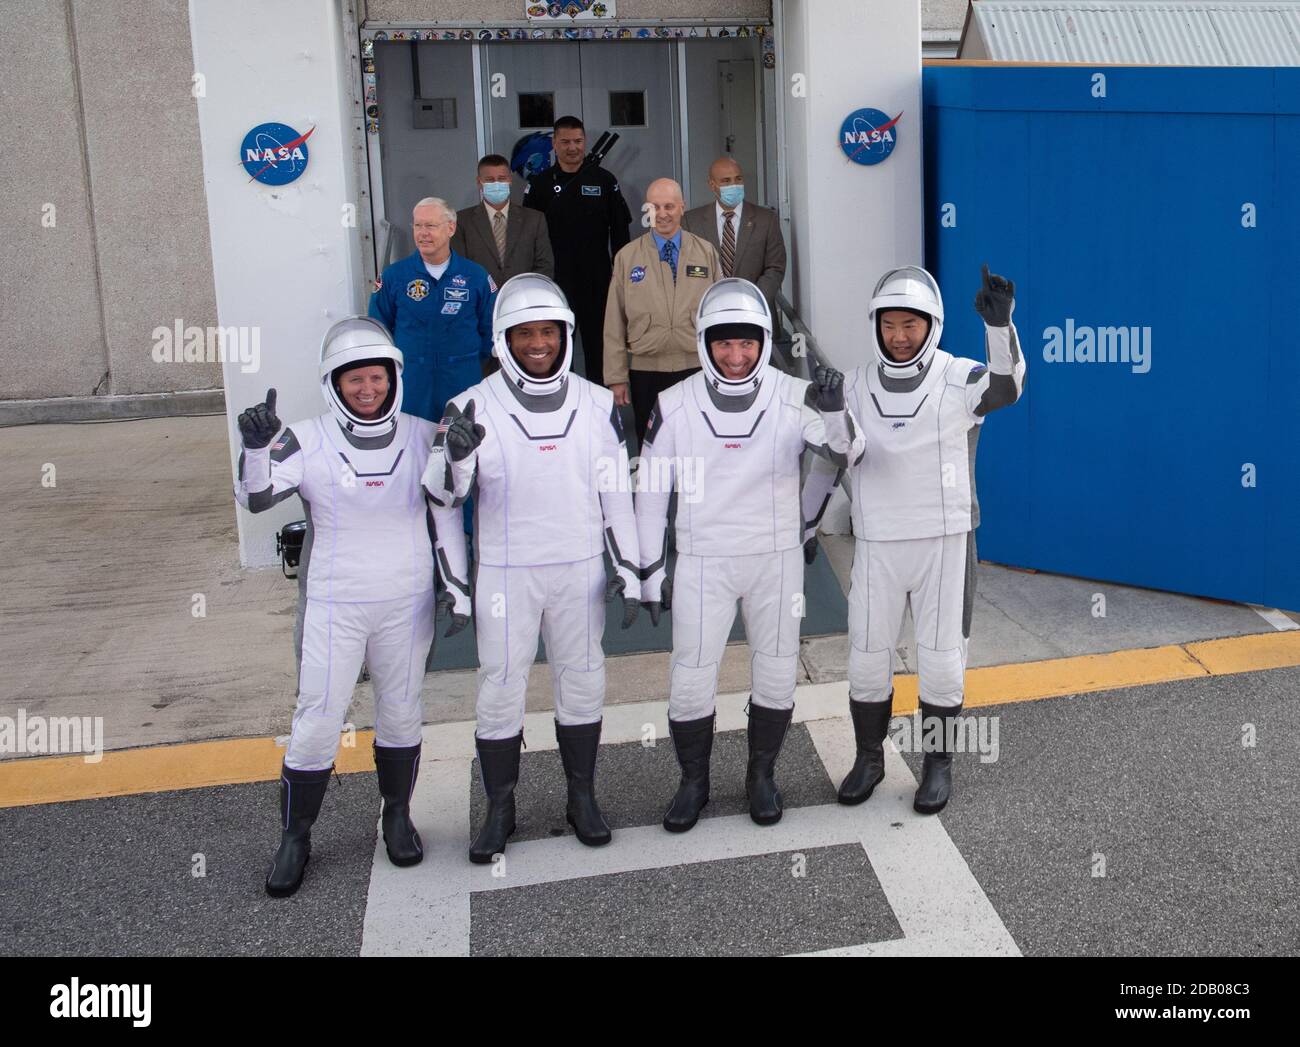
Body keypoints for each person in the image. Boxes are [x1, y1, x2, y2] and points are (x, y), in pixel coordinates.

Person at [234, 317, 464, 897]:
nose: (367, 389)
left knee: (401, 710)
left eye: (377, 378)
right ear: (333, 383)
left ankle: (396, 816)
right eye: (354, 379)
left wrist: (459, 459)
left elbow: (450, 499)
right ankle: (296, 837)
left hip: (406, 600)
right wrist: (256, 449)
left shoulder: (422, 434)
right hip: (334, 602)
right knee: (317, 719)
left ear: (394, 378)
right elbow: (257, 497)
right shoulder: (303, 437)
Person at [423, 273, 641, 864]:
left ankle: (582, 797)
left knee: (583, 680)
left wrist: (631, 566)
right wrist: (457, 584)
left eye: (548, 331)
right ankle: (499, 808)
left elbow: (616, 495)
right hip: (506, 572)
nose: (538, 343)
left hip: (579, 568)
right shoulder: (466, 405)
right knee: (499, 687)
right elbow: (443, 499)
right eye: (525, 333)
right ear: (503, 339)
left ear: (565, 335)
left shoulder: (600, 404)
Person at [635, 278, 865, 831]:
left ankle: (761, 774)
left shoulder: (794, 394)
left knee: (778, 672)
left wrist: (833, 412)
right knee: (690, 676)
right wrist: (647, 569)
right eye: (723, 343)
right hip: (702, 558)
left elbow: (845, 452)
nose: (735, 357)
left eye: (747, 343)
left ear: (764, 340)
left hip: (774, 559)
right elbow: (649, 491)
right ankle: (693, 781)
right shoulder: (673, 404)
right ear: (704, 341)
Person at [803, 264, 1025, 816]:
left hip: (945, 539)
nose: (899, 337)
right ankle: (869, 759)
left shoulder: (958, 376)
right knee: (866, 656)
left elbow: (1008, 389)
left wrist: (1001, 329)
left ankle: (937, 766)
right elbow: (837, 457)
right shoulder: (851, 384)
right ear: (875, 325)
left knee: (943, 659)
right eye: (889, 325)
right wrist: (805, 523)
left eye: (911, 325)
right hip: (878, 539)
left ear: (933, 325)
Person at [604, 177, 720, 443]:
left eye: (669, 206)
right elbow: (614, 323)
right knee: (652, 443)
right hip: (646, 371)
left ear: (682, 207)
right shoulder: (627, 257)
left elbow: (718, 317)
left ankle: (693, 487)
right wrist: (616, 377)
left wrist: (720, 369)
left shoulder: (706, 253)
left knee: (698, 442)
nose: (662, 214)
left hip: (696, 367)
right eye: (655, 207)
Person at [524, 116, 631, 387]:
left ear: (584, 142)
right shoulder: (540, 184)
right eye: (565, 142)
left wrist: (621, 277)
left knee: (599, 347)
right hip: (556, 281)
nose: (573, 147)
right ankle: (562, 400)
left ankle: (602, 405)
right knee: (558, 345)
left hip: (598, 280)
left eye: (578, 141)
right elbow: (529, 235)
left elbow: (620, 234)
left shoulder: (605, 180)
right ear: (554, 144)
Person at [368, 197, 495, 426]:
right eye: (417, 225)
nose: (423, 233)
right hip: (412, 382)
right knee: (412, 447)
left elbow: (491, 329)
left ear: (451, 228)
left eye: (430, 226)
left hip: (462, 378)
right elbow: (377, 329)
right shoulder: (394, 276)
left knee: (464, 445)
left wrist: (467, 359)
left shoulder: (475, 276)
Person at [682, 156, 786, 320]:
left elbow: (775, 268)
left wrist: (752, 303)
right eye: (726, 181)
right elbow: (686, 270)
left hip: (756, 315)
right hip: (709, 316)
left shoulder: (766, 219)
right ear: (712, 185)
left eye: (738, 179)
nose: (734, 185)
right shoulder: (691, 221)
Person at [451, 154, 555, 286]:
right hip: (479, 301)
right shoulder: (461, 221)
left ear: (510, 180)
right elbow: (458, 267)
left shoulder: (534, 219)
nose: (496, 184)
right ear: (479, 182)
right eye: (489, 179)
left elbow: (544, 266)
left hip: (523, 299)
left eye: (501, 179)